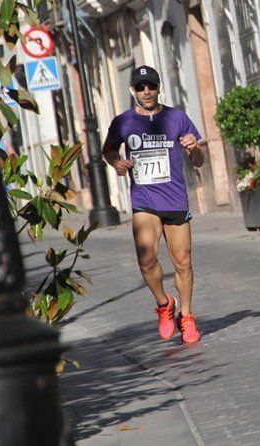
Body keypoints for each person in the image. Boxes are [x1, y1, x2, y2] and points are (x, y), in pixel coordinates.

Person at [102, 65, 205, 344]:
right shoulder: (123, 122)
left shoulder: (177, 118)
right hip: (144, 201)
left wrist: (194, 148)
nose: (146, 91)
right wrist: (116, 163)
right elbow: (108, 150)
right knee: (146, 258)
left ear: (159, 88)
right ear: (132, 91)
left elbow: (199, 161)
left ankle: (186, 314)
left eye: (151, 86)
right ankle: (164, 304)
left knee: (183, 263)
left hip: (174, 199)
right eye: (140, 87)